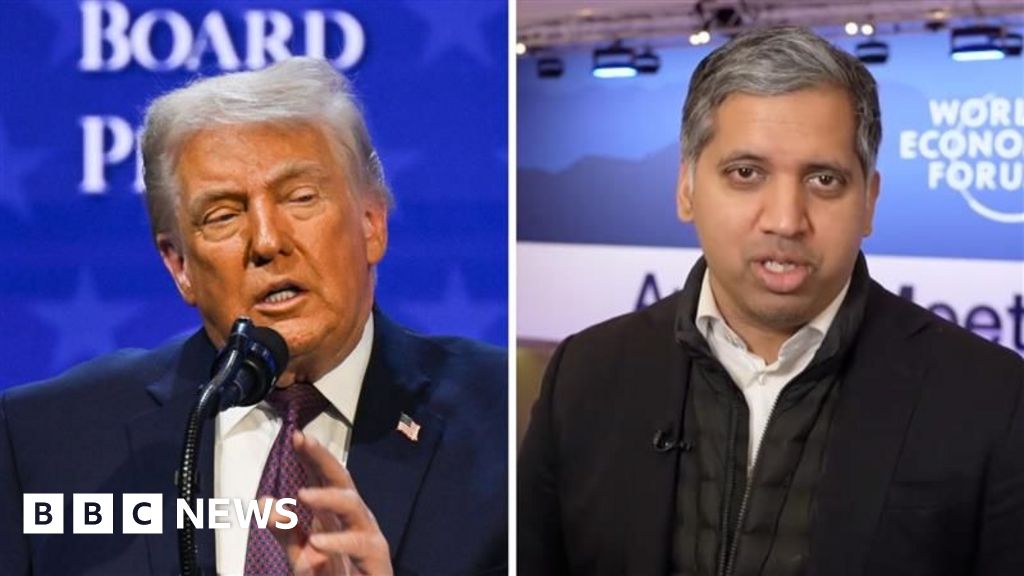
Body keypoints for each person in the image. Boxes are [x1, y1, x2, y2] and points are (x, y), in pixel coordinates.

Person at [518, 26, 1023, 576]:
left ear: (869, 202)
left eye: (824, 179)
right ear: (686, 188)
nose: (785, 220)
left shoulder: (992, 399)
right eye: (746, 173)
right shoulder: (584, 376)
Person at [0, 57, 507, 575]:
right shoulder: (47, 442)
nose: (266, 242)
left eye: (301, 198)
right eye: (223, 215)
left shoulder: (506, 422)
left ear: (371, 223)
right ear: (179, 266)